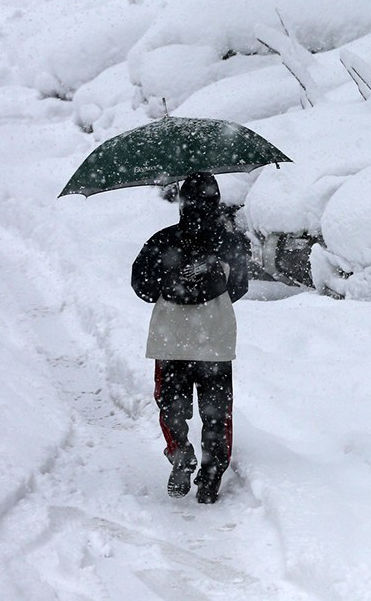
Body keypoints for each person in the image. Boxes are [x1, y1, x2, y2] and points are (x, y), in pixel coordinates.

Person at [131, 172, 250, 504]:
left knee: (171, 404)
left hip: (171, 337)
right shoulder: (230, 243)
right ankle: (211, 478)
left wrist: (170, 284)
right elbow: (239, 287)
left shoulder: (161, 240)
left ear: (182, 203)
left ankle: (180, 450)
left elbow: (141, 285)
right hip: (215, 337)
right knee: (217, 412)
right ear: (215, 202)